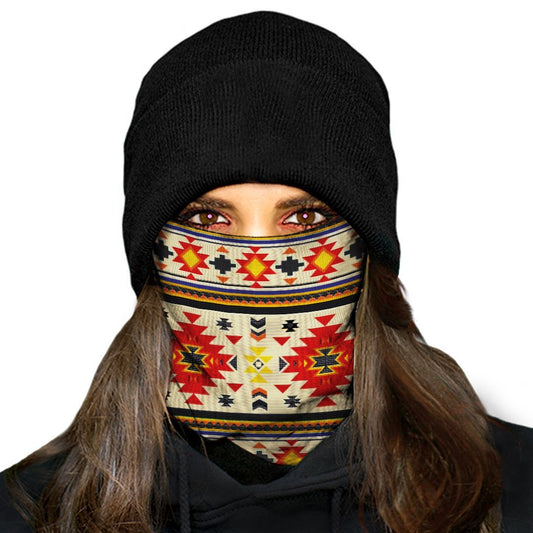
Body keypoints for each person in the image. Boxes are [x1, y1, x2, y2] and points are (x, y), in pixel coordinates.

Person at [1, 10, 532, 533]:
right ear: (153, 255)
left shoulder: (511, 493)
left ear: (368, 252)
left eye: (305, 218)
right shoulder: (30, 512)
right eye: (208, 219)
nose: (257, 265)